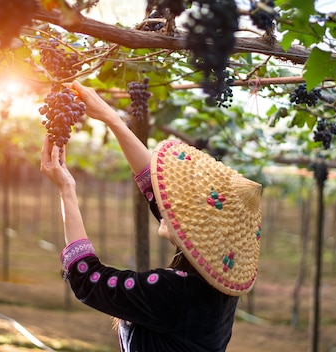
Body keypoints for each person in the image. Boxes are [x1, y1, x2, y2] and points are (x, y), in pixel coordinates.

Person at [40, 80, 263, 352]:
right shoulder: (216, 284)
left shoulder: (171, 292)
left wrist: (67, 189)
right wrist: (112, 119)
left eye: (184, 207)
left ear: (196, 231)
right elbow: (154, 187)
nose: (171, 204)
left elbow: (87, 278)